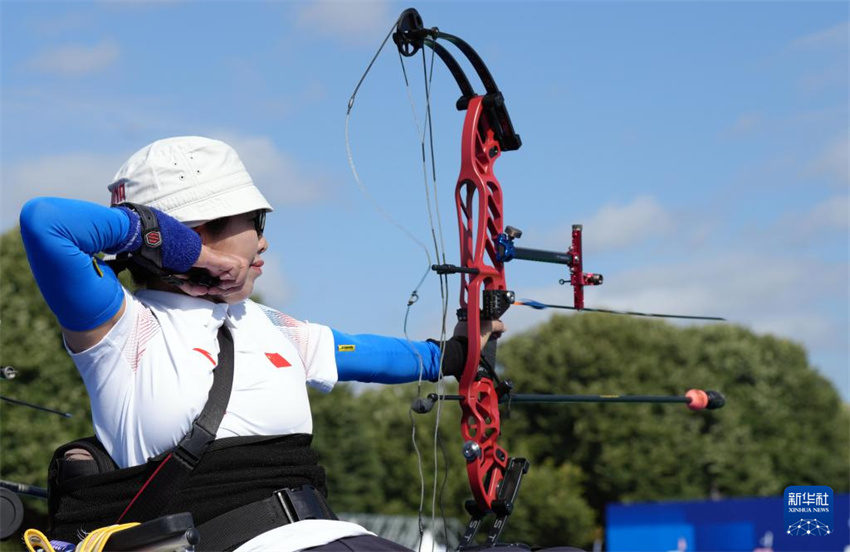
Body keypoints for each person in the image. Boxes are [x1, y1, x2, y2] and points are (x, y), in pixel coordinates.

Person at [20, 136, 505, 552]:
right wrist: (194, 253)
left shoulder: (271, 326)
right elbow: (46, 222)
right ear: (191, 231)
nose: (264, 242)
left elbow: (376, 354)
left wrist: (457, 354)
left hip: (328, 536)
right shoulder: (124, 329)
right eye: (254, 221)